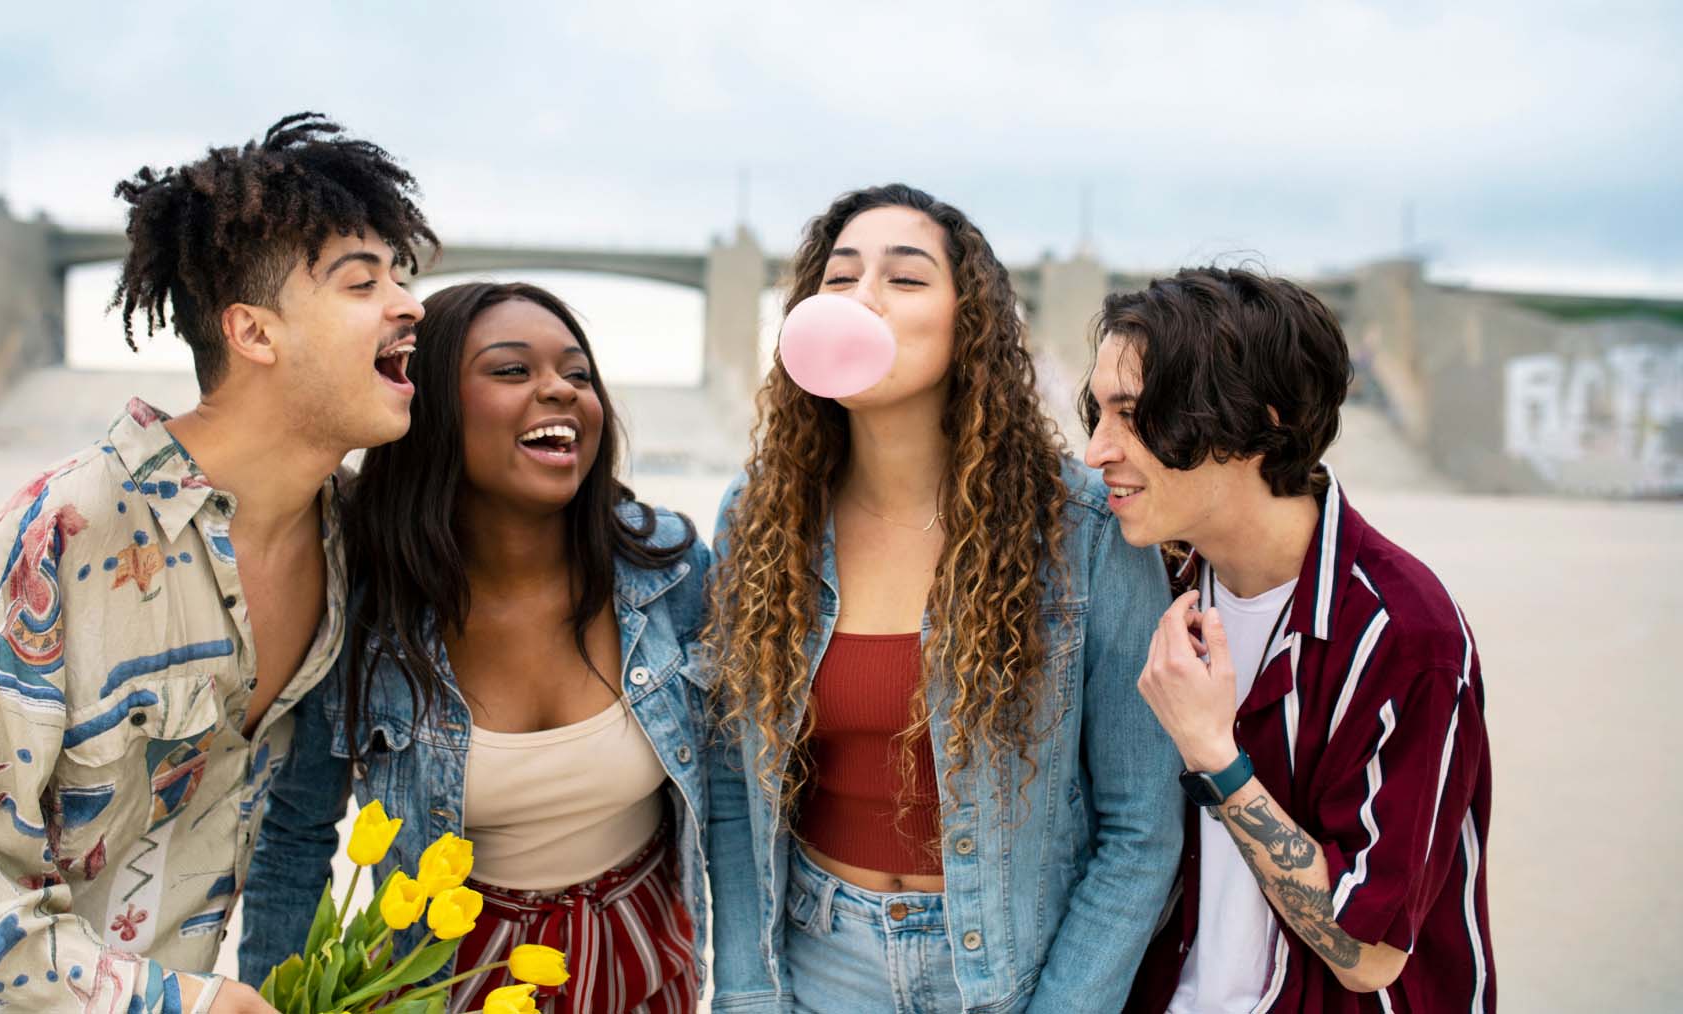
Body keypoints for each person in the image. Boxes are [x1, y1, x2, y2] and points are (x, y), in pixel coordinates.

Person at [0, 113, 436, 1013]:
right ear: (255, 334)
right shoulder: (58, 540)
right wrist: (187, 1005)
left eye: (401, 275)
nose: (408, 301)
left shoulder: (347, 539)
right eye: (360, 281)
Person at [701, 183, 1181, 1014]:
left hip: (1013, 974)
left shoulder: (1083, 529)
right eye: (840, 278)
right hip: (820, 966)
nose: (862, 300)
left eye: (907, 278)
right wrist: (749, 997)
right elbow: (736, 791)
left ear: (971, 325)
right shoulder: (759, 519)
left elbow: (1141, 827)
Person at [239, 282, 711, 1014]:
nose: (559, 389)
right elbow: (295, 837)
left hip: (645, 958)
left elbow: (742, 800)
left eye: (578, 374)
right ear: (429, 409)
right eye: (512, 371)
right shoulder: (359, 596)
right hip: (439, 975)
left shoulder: (668, 567)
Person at [1086, 268, 1495, 1012]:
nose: (1096, 449)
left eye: (1132, 415)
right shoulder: (1153, 585)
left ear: (1254, 420)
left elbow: (1368, 956)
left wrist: (1214, 754)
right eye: (1096, 412)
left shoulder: (1405, 637)